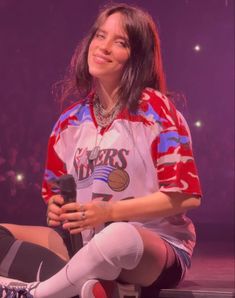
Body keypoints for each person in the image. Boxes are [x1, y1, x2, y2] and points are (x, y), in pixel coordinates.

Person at [0, 3, 202, 298]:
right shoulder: (67, 123)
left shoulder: (157, 111)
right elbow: (55, 195)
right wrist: (55, 207)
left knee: (116, 235)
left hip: (152, 248)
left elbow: (186, 196)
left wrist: (109, 211)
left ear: (138, 57)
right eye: (100, 36)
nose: (104, 47)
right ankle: (85, 286)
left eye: (120, 42)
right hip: (81, 244)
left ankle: (34, 294)